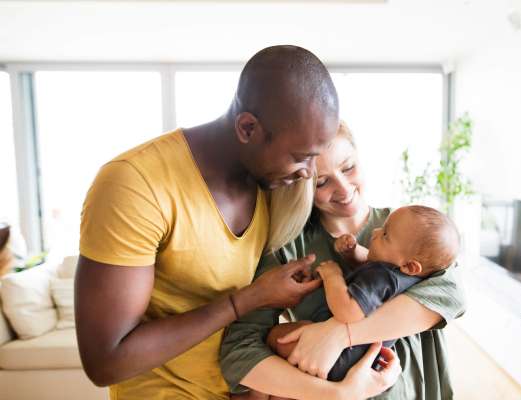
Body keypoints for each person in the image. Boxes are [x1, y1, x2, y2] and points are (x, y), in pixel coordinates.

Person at [75, 46, 400, 400]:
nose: (307, 174)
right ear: (248, 128)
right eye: (300, 158)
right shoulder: (135, 184)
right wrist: (245, 301)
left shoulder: (272, 186)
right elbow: (106, 361)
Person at [220, 121, 466, 400]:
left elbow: (451, 295)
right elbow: (239, 350)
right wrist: (336, 393)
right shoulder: (288, 248)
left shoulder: (416, 231)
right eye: (321, 182)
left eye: (348, 167)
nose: (343, 187)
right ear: (300, 185)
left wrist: (337, 334)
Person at [266, 205, 460, 385]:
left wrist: (333, 276)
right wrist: (352, 252)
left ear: (409, 266)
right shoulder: (399, 274)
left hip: (340, 358)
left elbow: (347, 312)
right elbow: (369, 263)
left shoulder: (382, 278)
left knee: (276, 337)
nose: (375, 232)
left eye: (385, 235)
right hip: (355, 357)